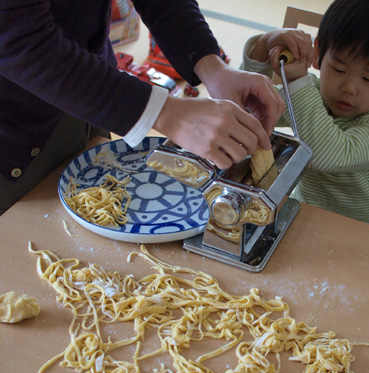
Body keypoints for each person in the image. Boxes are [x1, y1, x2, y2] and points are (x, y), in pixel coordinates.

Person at [0, 0, 285, 214]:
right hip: (12, 127)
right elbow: (17, 39)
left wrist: (211, 66)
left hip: (93, 89)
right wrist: (168, 113)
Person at [241, 0, 369, 232]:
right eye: (339, 69)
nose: (349, 87)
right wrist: (264, 46)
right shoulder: (312, 94)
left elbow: (328, 155)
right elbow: (249, 108)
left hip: (366, 236)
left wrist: (297, 82)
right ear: (318, 55)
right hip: (304, 220)